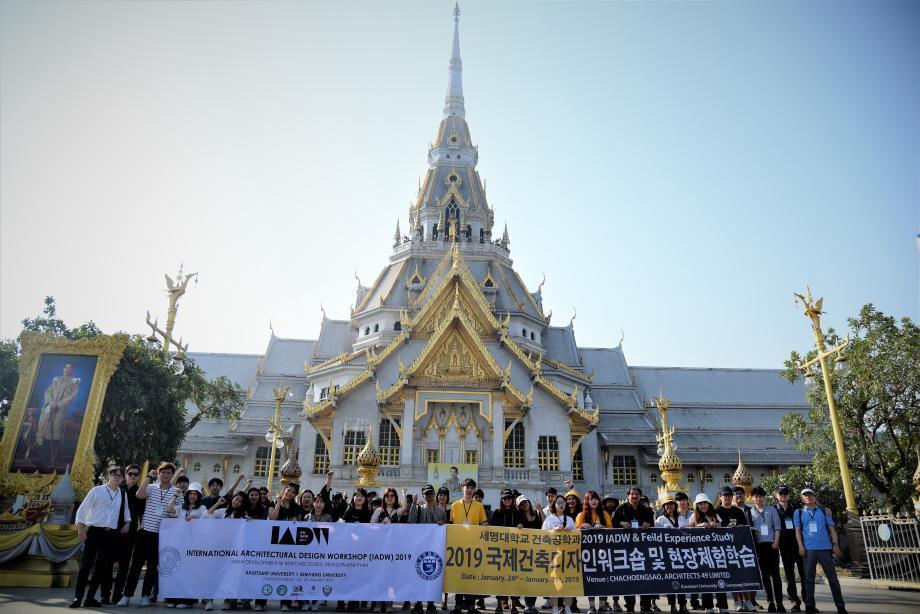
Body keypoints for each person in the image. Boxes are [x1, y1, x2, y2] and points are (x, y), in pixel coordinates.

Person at [118, 461, 177, 607]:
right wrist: (149, 477)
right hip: (145, 532)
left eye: (169, 473)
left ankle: (145, 595)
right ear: (159, 473)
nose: (165, 475)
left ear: (172, 475)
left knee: (152, 567)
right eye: (163, 472)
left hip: (161, 535)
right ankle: (126, 595)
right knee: (136, 566)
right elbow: (139, 494)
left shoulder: (176, 492)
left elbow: (178, 512)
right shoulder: (151, 487)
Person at [70, 466, 130, 609]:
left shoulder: (122, 493)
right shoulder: (96, 490)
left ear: (122, 478)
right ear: (108, 476)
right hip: (94, 532)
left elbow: (126, 510)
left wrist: (127, 522)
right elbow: (83, 509)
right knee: (86, 566)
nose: (117, 477)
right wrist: (80, 527)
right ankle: (78, 598)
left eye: (120, 475)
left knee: (101, 568)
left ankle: (90, 598)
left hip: (110, 534)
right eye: (114, 474)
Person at [793, 488, 847, 614]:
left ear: (815, 497)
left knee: (832, 578)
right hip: (809, 548)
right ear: (802, 498)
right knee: (809, 579)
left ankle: (840, 606)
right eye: (805, 495)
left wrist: (835, 544)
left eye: (811, 495)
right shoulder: (799, 512)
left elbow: (831, 528)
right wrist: (800, 546)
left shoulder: (824, 511)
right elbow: (797, 531)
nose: (808, 497)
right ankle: (810, 605)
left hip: (825, 548)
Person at [28, 362, 81, 469]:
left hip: (59, 411)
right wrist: (51, 402)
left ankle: (48, 461)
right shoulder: (56, 379)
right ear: (63, 369)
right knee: (42, 433)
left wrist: (58, 404)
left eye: (70, 368)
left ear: (72, 370)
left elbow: (71, 397)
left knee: (53, 434)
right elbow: (47, 392)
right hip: (48, 409)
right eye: (65, 367)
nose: (67, 369)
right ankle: (40, 459)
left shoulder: (75, 382)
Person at [164, 483, 208, 609]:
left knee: (189, 573)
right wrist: (175, 495)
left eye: (195, 494)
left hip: (193, 544)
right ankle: (172, 598)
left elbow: (207, 521)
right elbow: (168, 509)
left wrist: (194, 520)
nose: (192, 496)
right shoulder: (180, 507)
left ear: (199, 496)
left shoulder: (202, 508)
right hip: (178, 543)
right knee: (176, 571)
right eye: (190, 493)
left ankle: (187, 600)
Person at [451, 479, 489, 614]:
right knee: (458, 577)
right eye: (467, 487)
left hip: (473, 547)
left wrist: (483, 527)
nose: (469, 490)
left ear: (474, 490)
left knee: (471, 577)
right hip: (458, 547)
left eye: (472, 488)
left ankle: (472, 606)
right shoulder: (455, 505)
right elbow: (450, 526)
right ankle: (458, 606)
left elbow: (484, 523)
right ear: (462, 488)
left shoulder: (479, 506)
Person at [613, 488, 654, 614]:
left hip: (643, 549)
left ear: (640, 496)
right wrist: (621, 523)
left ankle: (646, 606)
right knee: (629, 578)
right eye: (632, 494)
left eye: (637, 494)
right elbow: (613, 522)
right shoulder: (621, 508)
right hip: (626, 548)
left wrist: (648, 524)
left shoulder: (646, 510)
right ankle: (630, 606)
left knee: (645, 578)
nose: (634, 496)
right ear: (628, 496)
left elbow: (652, 524)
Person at [688, 494, 728, 614]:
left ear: (709, 504)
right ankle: (708, 606)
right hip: (702, 552)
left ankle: (722, 606)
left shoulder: (716, 516)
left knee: (719, 579)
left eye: (705, 503)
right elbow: (689, 532)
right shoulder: (693, 516)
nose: (703, 506)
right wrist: (700, 526)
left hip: (716, 552)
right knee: (706, 580)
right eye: (700, 504)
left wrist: (721, 526)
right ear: (697, 506)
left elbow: (722, 530)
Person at [715, 487, 752, 613]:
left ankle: (747, 601)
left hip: (739, 547)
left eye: (729, 495)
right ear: (720, 497)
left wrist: (738, 527)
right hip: (723, 548)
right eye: (724, 495)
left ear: (732, 497)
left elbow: (745, 527)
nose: (727, 497)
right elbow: (715, 529)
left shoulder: (738, 511)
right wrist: (725, 527)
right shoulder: (716, 511)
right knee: (732, 576)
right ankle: (736, 601)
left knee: (743, 574)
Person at [112, 464, 143, 605]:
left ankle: (117, 595)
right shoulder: (118, 489)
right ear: (125, 474)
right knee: (107, 563)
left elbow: (142, 514)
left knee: (124, 565)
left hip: (130, 533)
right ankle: (105, 594)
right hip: (113, 530)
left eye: (136, 474)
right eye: (130, 473)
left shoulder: (141, 493)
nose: (133, 476)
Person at [575, 491, 611, 614]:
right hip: (588, 553)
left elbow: (612, 531)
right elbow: (574, 533)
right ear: (587, 501)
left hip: (604, 552)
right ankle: (591, 606)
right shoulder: (581, 515)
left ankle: (602, 605)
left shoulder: (605, 514)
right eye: (591, 499)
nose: (594, 501)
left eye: (596, 499)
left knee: (604, 579)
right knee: (590, 579)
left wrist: (602, 527)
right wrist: (582, 527)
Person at [749, 487, 783, 612]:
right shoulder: (750, 512)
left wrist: (776, 542)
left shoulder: (772, 510)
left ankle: (779, 603)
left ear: (764, 497)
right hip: (760, 547)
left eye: (761, 496)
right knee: (765, 576)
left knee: (776, 575)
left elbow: (777, 527)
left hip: (772, 545)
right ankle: (770, 602)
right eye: (756, 497)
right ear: (752, 498)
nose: (758, 499)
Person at [490, 489, 524, 614]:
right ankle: (499, 605)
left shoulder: (518, 513)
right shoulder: (496, 513)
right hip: (500, 551)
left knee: (514, 579)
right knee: (500, 580)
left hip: (515, 552)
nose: (507, 500)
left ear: (512, 499)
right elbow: (491, 530)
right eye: (505, 498)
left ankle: (513, 606)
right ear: (501, 500)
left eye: (509, 498)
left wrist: (521, 526)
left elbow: (524, 528)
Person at [772, 486, 805, 612]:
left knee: (804, 574)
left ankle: (808, 601)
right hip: (784, 545)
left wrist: (826, 510)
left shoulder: (797, 509)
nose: (783, 495)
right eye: (781, 493)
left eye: (785, 493)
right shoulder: (773, 509)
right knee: (790, 575)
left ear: (789, 495)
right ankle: (794, 601)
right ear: (776, 495)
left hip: (798, 544)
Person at [542, 497, 575, 614]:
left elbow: (576, 537)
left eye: (563, 503)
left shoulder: (570, 519)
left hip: (568, 556)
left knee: (568, 582)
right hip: (553, 555)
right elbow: (543, 536)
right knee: (555, 582)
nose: (561, 505)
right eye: (559, 503)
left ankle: (567, 608)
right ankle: (555, 608)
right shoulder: (549, 519)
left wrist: (569, 531)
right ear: (554, 504)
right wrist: (554, 530)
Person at [655, 498, 688, 614]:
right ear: (664, 507)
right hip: (668, 552)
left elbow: (689, 533)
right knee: (671, 579)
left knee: (681, 579)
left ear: (675, 506)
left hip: (681, 552)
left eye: (671, 505)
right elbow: (656, 536)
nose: (669, 507)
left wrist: (682, 531)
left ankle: (683, 605)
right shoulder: (660, 519)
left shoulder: (681, 518)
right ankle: (673, 605)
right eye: (667, 505)